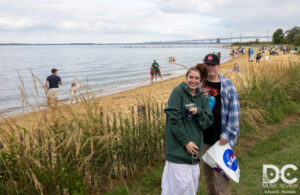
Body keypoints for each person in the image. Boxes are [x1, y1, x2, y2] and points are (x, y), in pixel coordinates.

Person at [161, 67, 214, 195]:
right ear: (186, 78)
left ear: (200, 80)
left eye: (196, 78)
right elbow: (174, 120)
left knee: (191, 186)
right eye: (191, 77)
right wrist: (186, 142)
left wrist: (199, 111)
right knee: (178, 188)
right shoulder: (178, 92)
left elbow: (207, 121)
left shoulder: (201, 97)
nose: (193, 81)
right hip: (178, 150)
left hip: (194, 151)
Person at [200, 54, 240, 195]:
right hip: (204, 139)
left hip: (221, 140)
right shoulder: (201, 84)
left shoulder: (227, 84)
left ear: (218, 66)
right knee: (208, 176)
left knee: (221, 178)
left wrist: (226, 135)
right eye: (207, 64)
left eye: (213, 64)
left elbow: (234, 113)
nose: (210, 67)